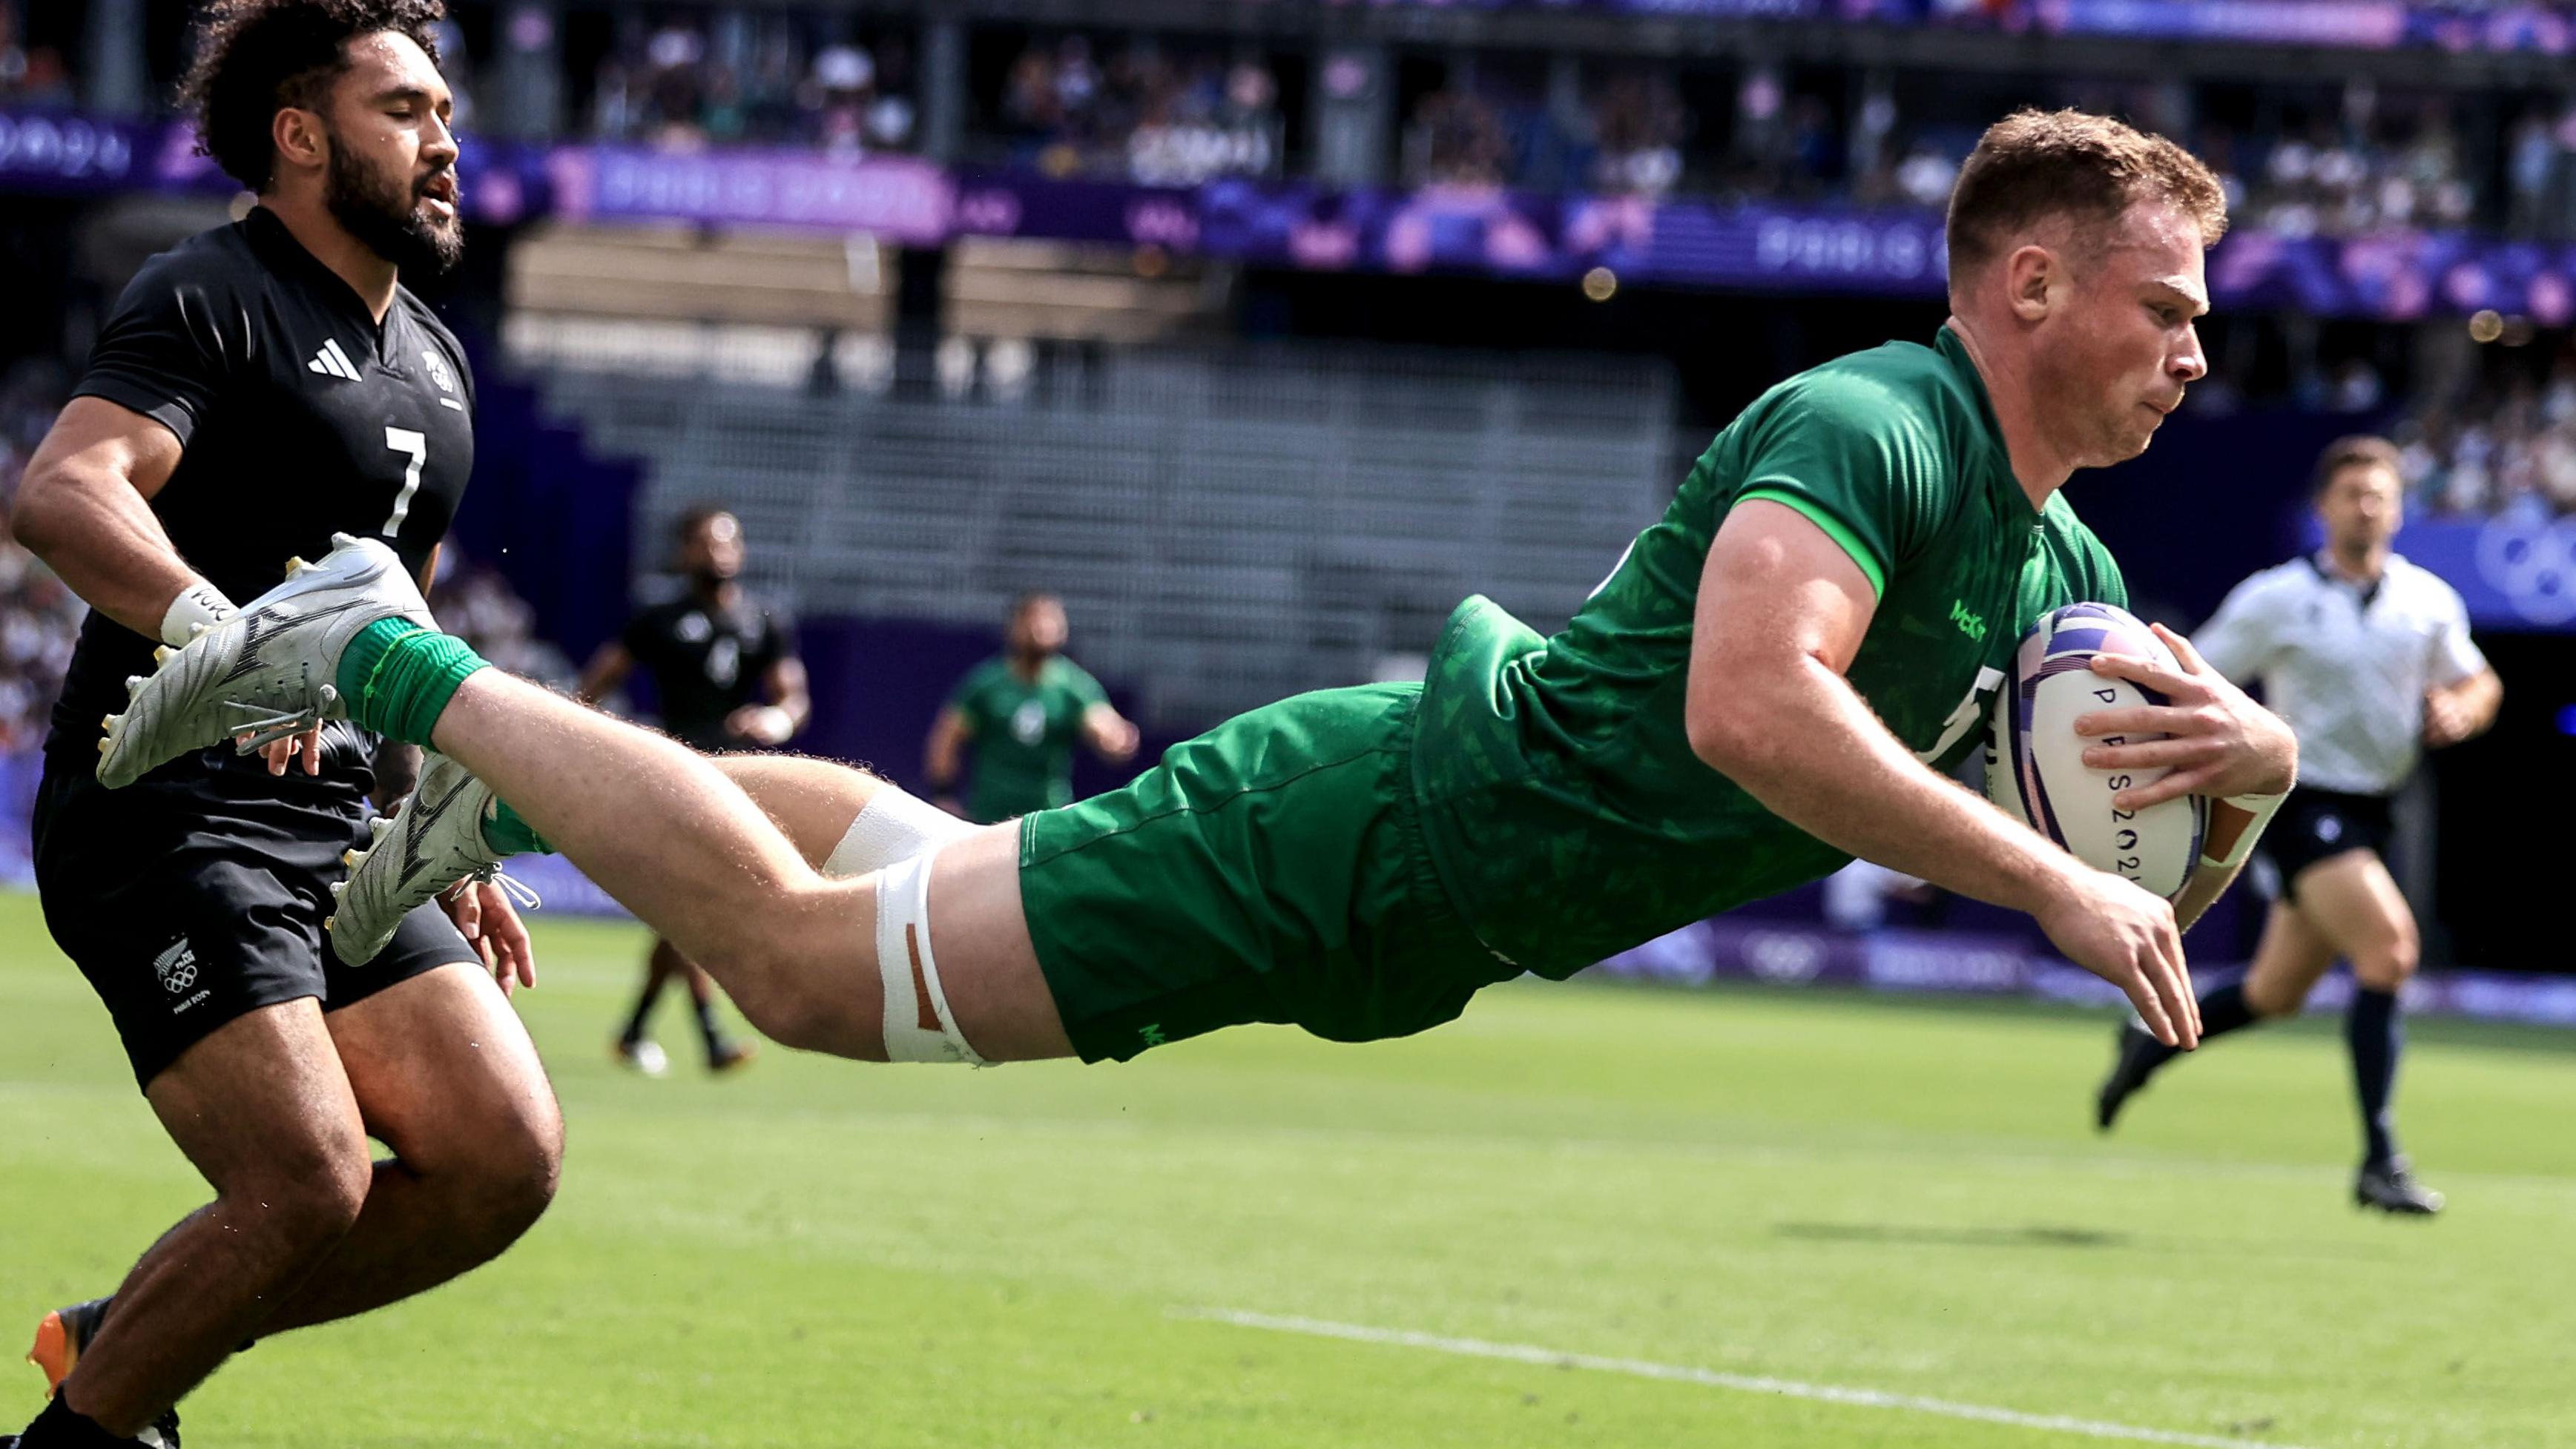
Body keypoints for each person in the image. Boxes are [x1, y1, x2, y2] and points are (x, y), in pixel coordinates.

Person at [118, 112, 2293, 1143]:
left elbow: (2160, 799)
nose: (2194, 348)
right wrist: (2029, 880)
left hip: (1411, 907)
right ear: (2022, 284)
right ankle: (381, 648)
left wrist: (2258, 772)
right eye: (2162, 302)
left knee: (890, 858)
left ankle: (478, 820)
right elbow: (1750, 706)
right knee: (800, 978)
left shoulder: (2059, 581)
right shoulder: (1875, 422)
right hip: (1370, 832)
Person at [3, 4, 561, 1448]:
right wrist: (223, 642)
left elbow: (408, 620)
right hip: (163, 806)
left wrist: (451, 815)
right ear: (301, 133)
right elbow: (66, 490)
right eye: (404, 110)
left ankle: (120, 1340)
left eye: (444, 111)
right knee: (305, 1178)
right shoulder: (210, 292)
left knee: (503, 1156)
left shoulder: (434, 364)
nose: (443, 140)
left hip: (332, 827)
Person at [2093, 435, 2500, 1214]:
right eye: (2351, 494)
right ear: (2321, 509)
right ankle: (2379, 1158)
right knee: (2389, 950)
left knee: (2274, 993)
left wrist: (2463, 707)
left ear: (2397, 507)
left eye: (2379, 494)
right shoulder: (2275, 596)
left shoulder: (2425, 601)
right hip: (2299, 801)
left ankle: (2143, 1046)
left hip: (2376, 807)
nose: (2366, 506)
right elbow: (2193, 673)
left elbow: (2478, 679)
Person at [576, 506, 808, 1075]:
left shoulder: (762, 621)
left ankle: (637, 1032)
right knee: (694, 904)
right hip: (677, 779)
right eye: (705, 543)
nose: (718, 553)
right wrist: (589, 743)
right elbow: (595, 687)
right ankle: (709, 1038)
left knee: (686, 910)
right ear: (683, 554)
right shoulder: (659, 618)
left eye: (728, 542)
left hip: (737, 780)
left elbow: (792, 697)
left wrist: (777, 720)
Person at [923, 592, 1138, 824]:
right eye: (1033, 619)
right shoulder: (987, 684)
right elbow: (947, 739)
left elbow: (1101, 723)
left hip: (1046, 818)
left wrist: (1116, 739)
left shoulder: (1074, 687)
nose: (1041, 627)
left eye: (1051, 619)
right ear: (1014, 627)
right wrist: (943, 795)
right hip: (989, 815)